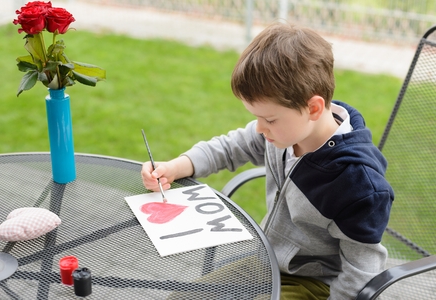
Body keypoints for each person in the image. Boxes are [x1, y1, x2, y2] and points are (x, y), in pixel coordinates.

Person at [141, 22, 394, 299]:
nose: (260, 128)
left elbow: (363, 270)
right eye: (256, 118)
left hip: (315, 284)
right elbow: (230, 147)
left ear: (313, 108)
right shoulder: (283, 133)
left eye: (269, 119)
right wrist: (176, 167)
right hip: (265, 262)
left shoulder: (357, 185)